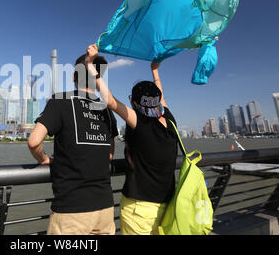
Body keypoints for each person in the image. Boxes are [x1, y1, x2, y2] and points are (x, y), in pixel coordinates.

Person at [84, 44, 178, 235]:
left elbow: (109, 101)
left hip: (139, 209)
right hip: (168, 205)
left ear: (135, 103)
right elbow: (161, 98)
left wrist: (89, 64)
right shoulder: (170, 120)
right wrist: (155, 70)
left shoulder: (140, 122)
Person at [27, 53, 119, 235]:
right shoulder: (107, 111)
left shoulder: (60, 100)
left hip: (72, 209)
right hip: (105, 208)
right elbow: (109, 155)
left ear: (74, 77)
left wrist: (44, 159)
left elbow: (34, 142)